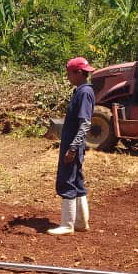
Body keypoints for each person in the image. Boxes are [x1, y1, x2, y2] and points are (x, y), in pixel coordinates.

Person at [49, 56, 96, 235]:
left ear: (78, 73)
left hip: (73, 144)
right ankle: (81, 222)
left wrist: (73, 148)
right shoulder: (82, 91)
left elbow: (85, 124)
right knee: (77, 181)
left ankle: (67, 225)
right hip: (74, 144)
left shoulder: (84, 93)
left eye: (69, 74)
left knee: (67, 180)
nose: (68, 77)